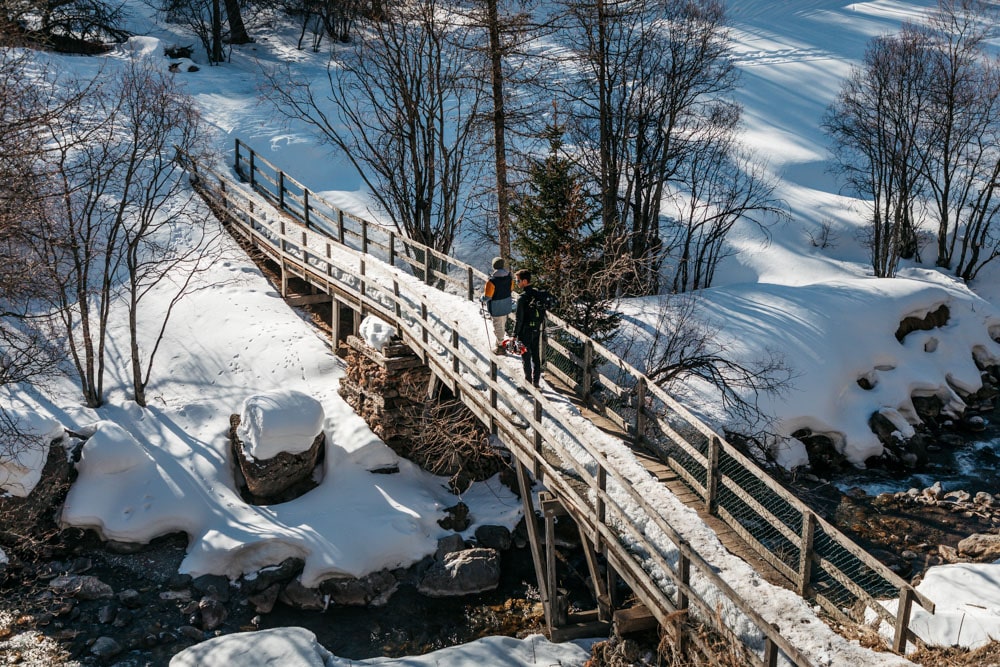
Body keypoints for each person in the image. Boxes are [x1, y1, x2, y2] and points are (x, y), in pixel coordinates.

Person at [513, 269, 543, 388]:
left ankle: (528, 384)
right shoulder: (537, 294)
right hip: (536, 329)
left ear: (525, 281)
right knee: (536, 356)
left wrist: (514, 334)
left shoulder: (522, 298)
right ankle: (536, 382)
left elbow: (519, 319)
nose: (517, 283)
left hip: (525, 332)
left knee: (526, 358)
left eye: (518, 280)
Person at [481, 256, 513, 354]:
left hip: (496, 307)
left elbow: (488, 297)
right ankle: (500, 343)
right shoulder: (509, 277)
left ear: (494, 266)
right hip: (506, 305)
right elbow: (511, 289)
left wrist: (481, 298)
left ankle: (500, 347)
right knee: (502, 324)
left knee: (498, 326)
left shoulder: (492, 281)